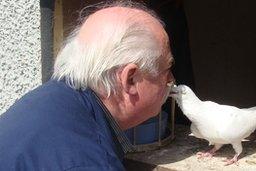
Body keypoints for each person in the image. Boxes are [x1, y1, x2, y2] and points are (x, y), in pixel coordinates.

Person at [0, 1, 174, 170]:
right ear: (130, 79)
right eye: (167, 68)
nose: (171, 79)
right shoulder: (91, 161)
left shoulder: (51, 98)